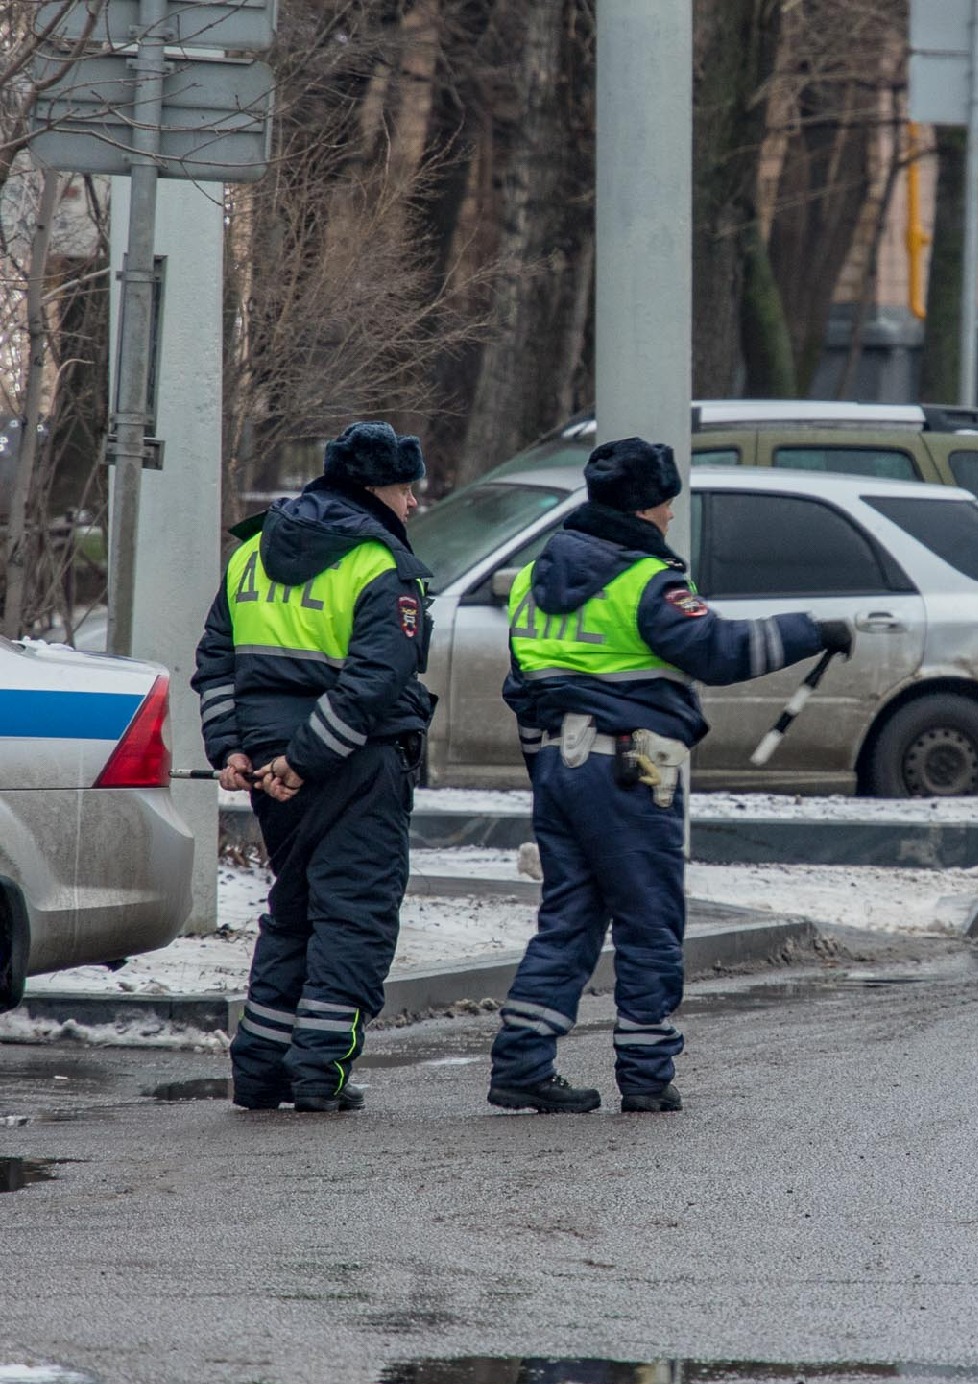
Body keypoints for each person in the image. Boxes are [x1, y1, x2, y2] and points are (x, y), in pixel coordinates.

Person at [486, 438, 850, 1115]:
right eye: (666, 504)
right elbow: (717, 650)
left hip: (557, 766)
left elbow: (523, 682)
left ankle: (522, 1061)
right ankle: (647, 1073)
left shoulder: (540, 576)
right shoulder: (647, 582)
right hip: (629, 769)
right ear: (646, 506)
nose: (671, 516)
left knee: (569, 915)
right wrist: (811, 629)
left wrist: (547, 761)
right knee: (650, 917)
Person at [192, 422, 435, 1112]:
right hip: (357, 765)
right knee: (354, 916)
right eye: (402, 486)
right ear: (369, 488)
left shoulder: (251, 554)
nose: (412, 502)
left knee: (294, 910)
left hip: (271, 770)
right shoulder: (379, 563)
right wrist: (309, 759)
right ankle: (320, 1069)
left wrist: (233, 752)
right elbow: (378, 680)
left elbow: (215, 662)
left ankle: (262, 1065)